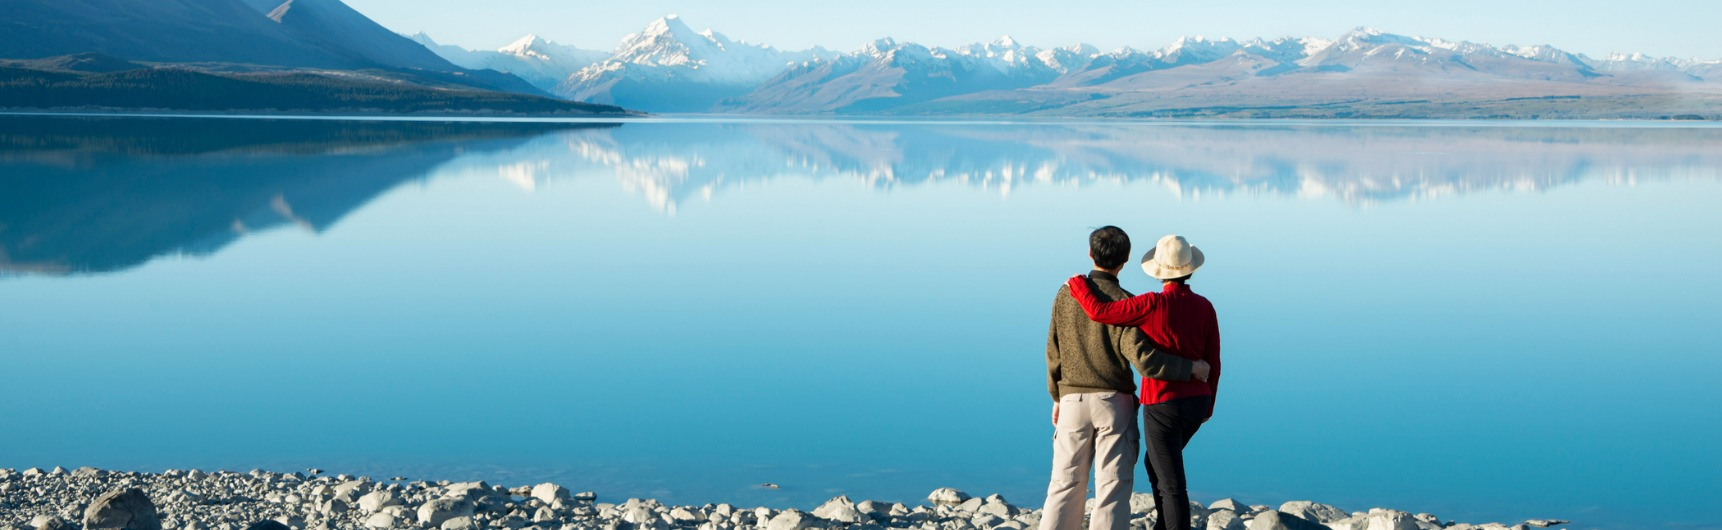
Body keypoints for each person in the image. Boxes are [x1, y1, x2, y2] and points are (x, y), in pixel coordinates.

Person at [1041, 226, 1212, 530]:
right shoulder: (1126, 302)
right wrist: (1189, 369)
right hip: (1113, 404)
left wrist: (1057, 396)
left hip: (1071, 400)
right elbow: (1145, 359)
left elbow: (1053, 350)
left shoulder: (1065, 294)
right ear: (1127, 259)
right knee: (1112, 488)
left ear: (1091, 254)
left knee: (1064, 483)